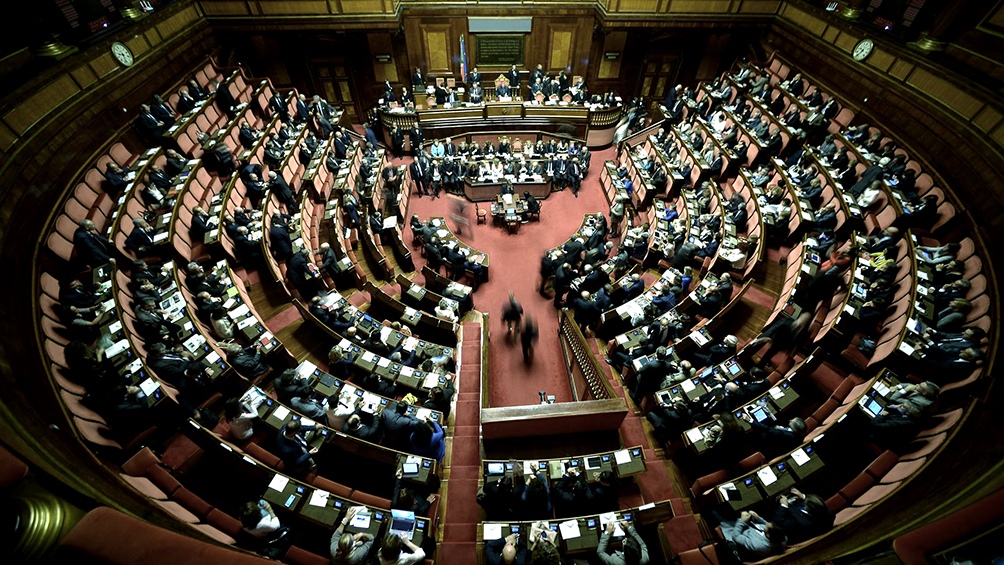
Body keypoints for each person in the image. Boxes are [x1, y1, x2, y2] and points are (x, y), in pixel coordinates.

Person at [721, 511, 786, 560]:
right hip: (744, 525)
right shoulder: (781, 537)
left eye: (767, 526)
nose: (766, 523)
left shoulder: (760, 545)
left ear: (768, 535)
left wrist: (742, 521)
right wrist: (758, 518)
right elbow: (770, 526)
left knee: (714, 510)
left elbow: (736, 536)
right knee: (725, 505)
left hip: (732, 530)